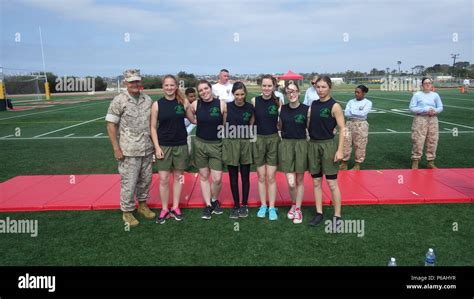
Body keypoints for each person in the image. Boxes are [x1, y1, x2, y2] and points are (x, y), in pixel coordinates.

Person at [105, 69, 156, 227]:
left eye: (137, 81)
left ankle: (142, 205)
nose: (135, 84)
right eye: (132, 81)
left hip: (147, 148)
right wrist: (116, 149)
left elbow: (152, 125)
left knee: (146, 180)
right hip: (128, 150)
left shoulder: (147, 100)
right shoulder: (119, 100)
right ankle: (127, 212)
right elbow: (111, 125)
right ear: (126, 83)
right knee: (129, 182)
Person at [150, 75, 192, 224]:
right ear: (163, 87)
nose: (169, 88)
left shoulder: (183, 102)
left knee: (179, 177)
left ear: (176, 86)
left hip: (180, 144)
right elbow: (153, 127)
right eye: (166, 85)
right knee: (163, 179)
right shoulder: (157, 105)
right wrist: (156, 147)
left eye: (172, 85)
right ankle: (164, 208)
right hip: (164, 146)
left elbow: (193, 119)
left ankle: (175, 207)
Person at [307, 76, 345, 227]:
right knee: (316, 181)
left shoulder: (334, 106)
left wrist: (340, 150)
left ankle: (337, 216)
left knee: (331, 182)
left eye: (323, 87)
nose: (320, 90)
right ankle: (319, 213)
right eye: (318, 87)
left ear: (329, 87)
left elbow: (343, 128)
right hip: (313, 145)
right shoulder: (314, 104)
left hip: (328, 145)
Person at [188, 80, 227, 219]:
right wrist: (196, 121)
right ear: (198, 93)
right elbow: (191, 118)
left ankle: (214, 199)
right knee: (204, 176)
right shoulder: (195, 104)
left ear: (211, 88)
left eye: (206, 88)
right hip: (200, 144)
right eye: (201, 90)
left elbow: (224, 124)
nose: (204, 92)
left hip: (216, 145)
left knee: (217, 179)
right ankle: (208, 205)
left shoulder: (221, 103)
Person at [222, 82, 255, 219]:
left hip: (245, 143)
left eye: (242, 94)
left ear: (245, 94)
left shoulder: (250, 107)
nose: (240, 97)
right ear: (233, 94)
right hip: (231, 143)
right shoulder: (227, 107)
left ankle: (244, 205)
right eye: (237, 94)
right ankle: (236, 205)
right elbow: (224, 125)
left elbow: (252, 122)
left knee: (245, 176)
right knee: (233, 176)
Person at [278, 83, 309, 224]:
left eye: (294, 91)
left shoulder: (306, 110)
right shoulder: (282, 109)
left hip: (301, 144)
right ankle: (293, 203)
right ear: (285, 93)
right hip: (286, 145)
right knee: (291, 182)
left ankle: (298, 209)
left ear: (299, 92)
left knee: (299, 180)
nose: (292, 94)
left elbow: (310, 128)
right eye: (289, 91)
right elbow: (279, 126)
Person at [251, 74, 281, 220]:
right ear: (260, 86)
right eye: (264, 85)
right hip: (258, 141)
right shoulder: (254, 101)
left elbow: (281, 122)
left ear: (274, 86)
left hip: (273, 140)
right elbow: (250, 122)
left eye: (269, 86)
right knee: (261, 177)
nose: (267, 88)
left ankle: (272, 207)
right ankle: (263, 205)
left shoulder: (278, 101)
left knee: (271, 177)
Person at [409, 77, 443, 169]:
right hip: (420, 119)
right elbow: (412, 107)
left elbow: (440, 107)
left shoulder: (435, 95)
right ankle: (416, 160)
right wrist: (425, 109)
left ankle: (430, 161)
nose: (427, 84)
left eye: (429, 83)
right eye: (425, 83)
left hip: (433, 119)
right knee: (418, 139)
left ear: (431, 85)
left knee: (432, 139)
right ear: (422, 85)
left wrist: (435, 110)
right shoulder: (417, 95)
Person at [340, 85, 372, 170]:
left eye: (358, 92)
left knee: (360, 144)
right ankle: (344, 163)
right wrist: (357, 112)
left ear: (364, 93)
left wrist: (352, 111)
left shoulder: (368, 102)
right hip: (349, 123)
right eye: (355, 92)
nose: (356, 94)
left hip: (361, 124)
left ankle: (357, 164)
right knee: (346, 143)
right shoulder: (351, 101)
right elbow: (346, 113)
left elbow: (363, 114)